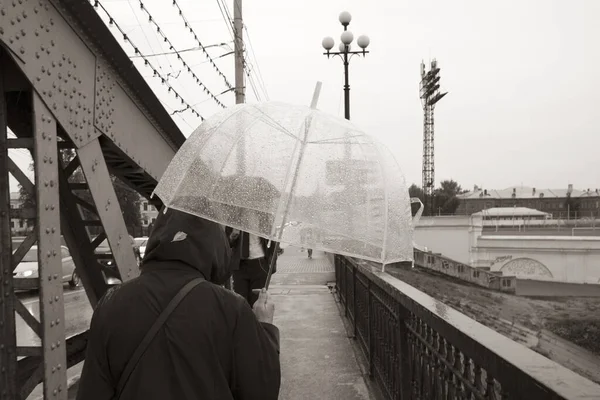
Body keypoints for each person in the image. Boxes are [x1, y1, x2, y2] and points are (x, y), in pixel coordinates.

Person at [76, 208, 281, 400]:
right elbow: (262, 392)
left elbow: (92, 392)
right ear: (213, 244)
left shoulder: (110, 304)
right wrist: (266, 328)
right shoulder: (231, 309)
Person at [227, 210, 279, 307]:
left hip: (259, 263)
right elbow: (227, 242)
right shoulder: (234, 216)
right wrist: (232, 237)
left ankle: (256, 322)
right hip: (240, 265)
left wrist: (272, 263)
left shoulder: (264, 215)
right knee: (240, 302)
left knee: (257, 303)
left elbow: (273, 242)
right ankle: (244, 322)